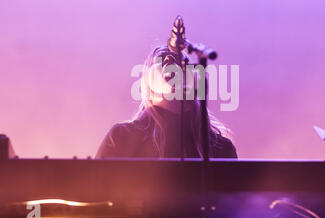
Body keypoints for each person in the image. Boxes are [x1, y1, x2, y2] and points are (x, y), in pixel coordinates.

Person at [95, 45, 237, 159]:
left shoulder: (221, 148)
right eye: (160, 61)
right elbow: (92, 189)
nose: (169, 59)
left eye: (177, 58)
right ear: (148, 82)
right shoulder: (121, 137)